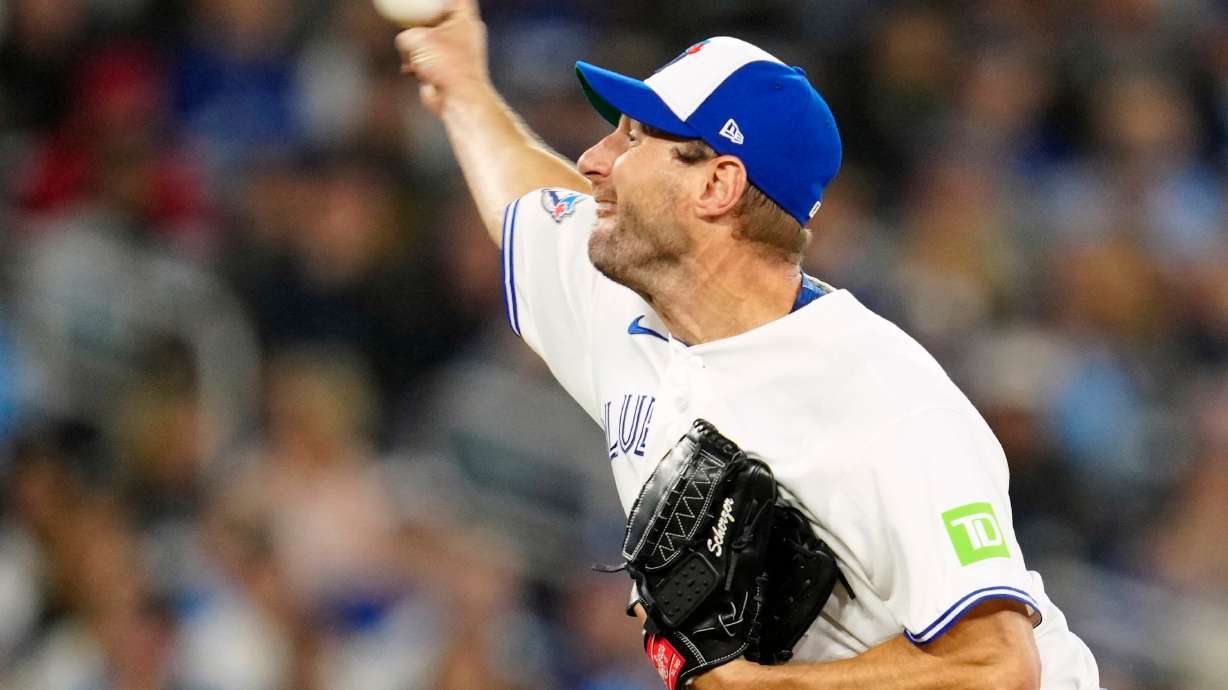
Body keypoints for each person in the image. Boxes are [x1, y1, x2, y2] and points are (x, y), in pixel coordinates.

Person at [395, 1, 1102, 687]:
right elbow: (535, 201)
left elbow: (999, 667)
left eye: (634, 139)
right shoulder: (632, 310)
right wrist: (463, 89)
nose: (594, 159)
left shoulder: (885, 404)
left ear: (717, 184)